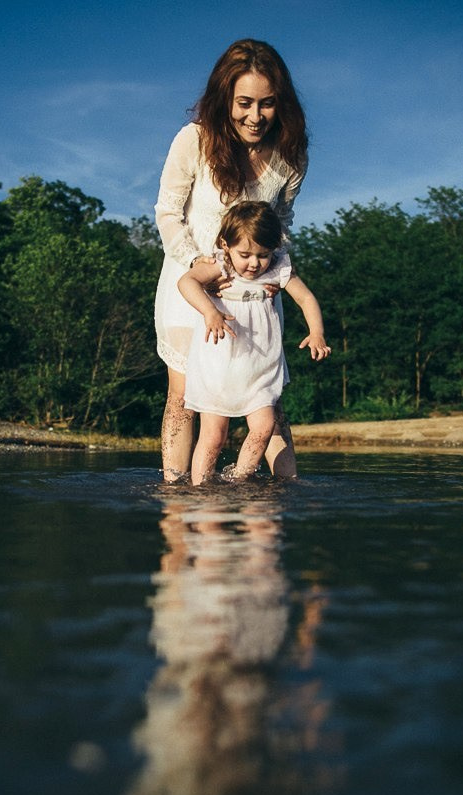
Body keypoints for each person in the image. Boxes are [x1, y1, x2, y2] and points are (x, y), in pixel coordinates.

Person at [154, 38, 309, 482]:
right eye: (244, 103)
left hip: (257, 293)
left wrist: (278, 273)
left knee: (269, 400)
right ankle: (178, 512)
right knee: (184, 395)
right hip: (190, 284)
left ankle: (284, 502)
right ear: (226, 99)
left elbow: (282, 221)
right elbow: (167, 211)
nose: (255, 116)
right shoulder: (194, 140)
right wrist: (199, 263)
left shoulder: (290, 154)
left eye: (267, 104)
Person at [178, 202, 330, 485]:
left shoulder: (277, 269)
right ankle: (200, 491)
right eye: (245, 254)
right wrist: (210, 311)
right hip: (218, 365)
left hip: (260, 365)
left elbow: (306, 298)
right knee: (213, 436)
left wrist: (316, 332)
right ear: (226, 244)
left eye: (263, 255)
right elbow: (187, 282)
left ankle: (238, 480)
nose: (254, 263)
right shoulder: (219, 265)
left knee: (263, 427)